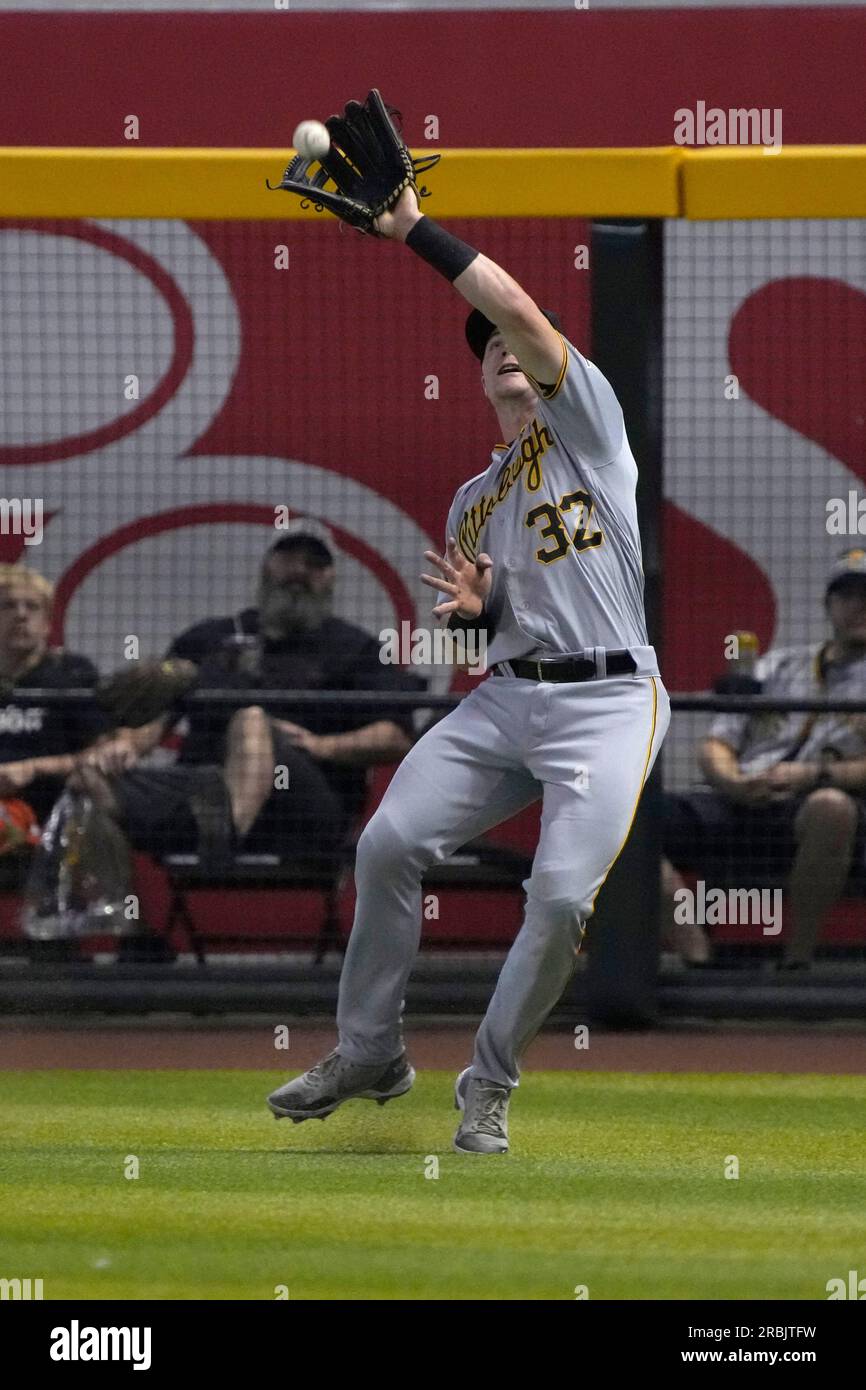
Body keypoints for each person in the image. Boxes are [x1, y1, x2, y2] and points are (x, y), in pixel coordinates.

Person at [267, 187, 670, 1154]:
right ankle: (370, 1050)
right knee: (388, 845)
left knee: (563, 898)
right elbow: (489, 636)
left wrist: (413, 231)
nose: (503, 341)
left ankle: (488, 1082)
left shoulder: (592, 432)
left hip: (612, 700)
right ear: (479, 373)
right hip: (510, 699)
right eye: (483, 339)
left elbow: (525, 312)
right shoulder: (472, 503)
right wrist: (484, 613)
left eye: (514, 333)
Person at [85, 523, 420, 868]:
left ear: (331, 577)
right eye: (289, 558)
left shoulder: (357, 649)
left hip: (301, 814)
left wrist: (323, 745)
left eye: (314, 564)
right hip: (199, 793)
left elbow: (394, 736)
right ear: (266, 566)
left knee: (251, 720)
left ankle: (224, 836)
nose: (299, 571)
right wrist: (126, 745)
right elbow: (157, 720)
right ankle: (113, 914)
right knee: (90, 775)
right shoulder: (209, 638)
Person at [663, 549, 866, 971]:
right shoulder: (779, 665)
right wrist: (733, 781)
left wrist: (813, 775)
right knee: (627, 820)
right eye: (848, 595)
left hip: (816, 810)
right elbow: (716, 744)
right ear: (829, 605)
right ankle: (698, 956)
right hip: (743, 798)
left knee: (832, 807)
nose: (859, 605)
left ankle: (797, 962)